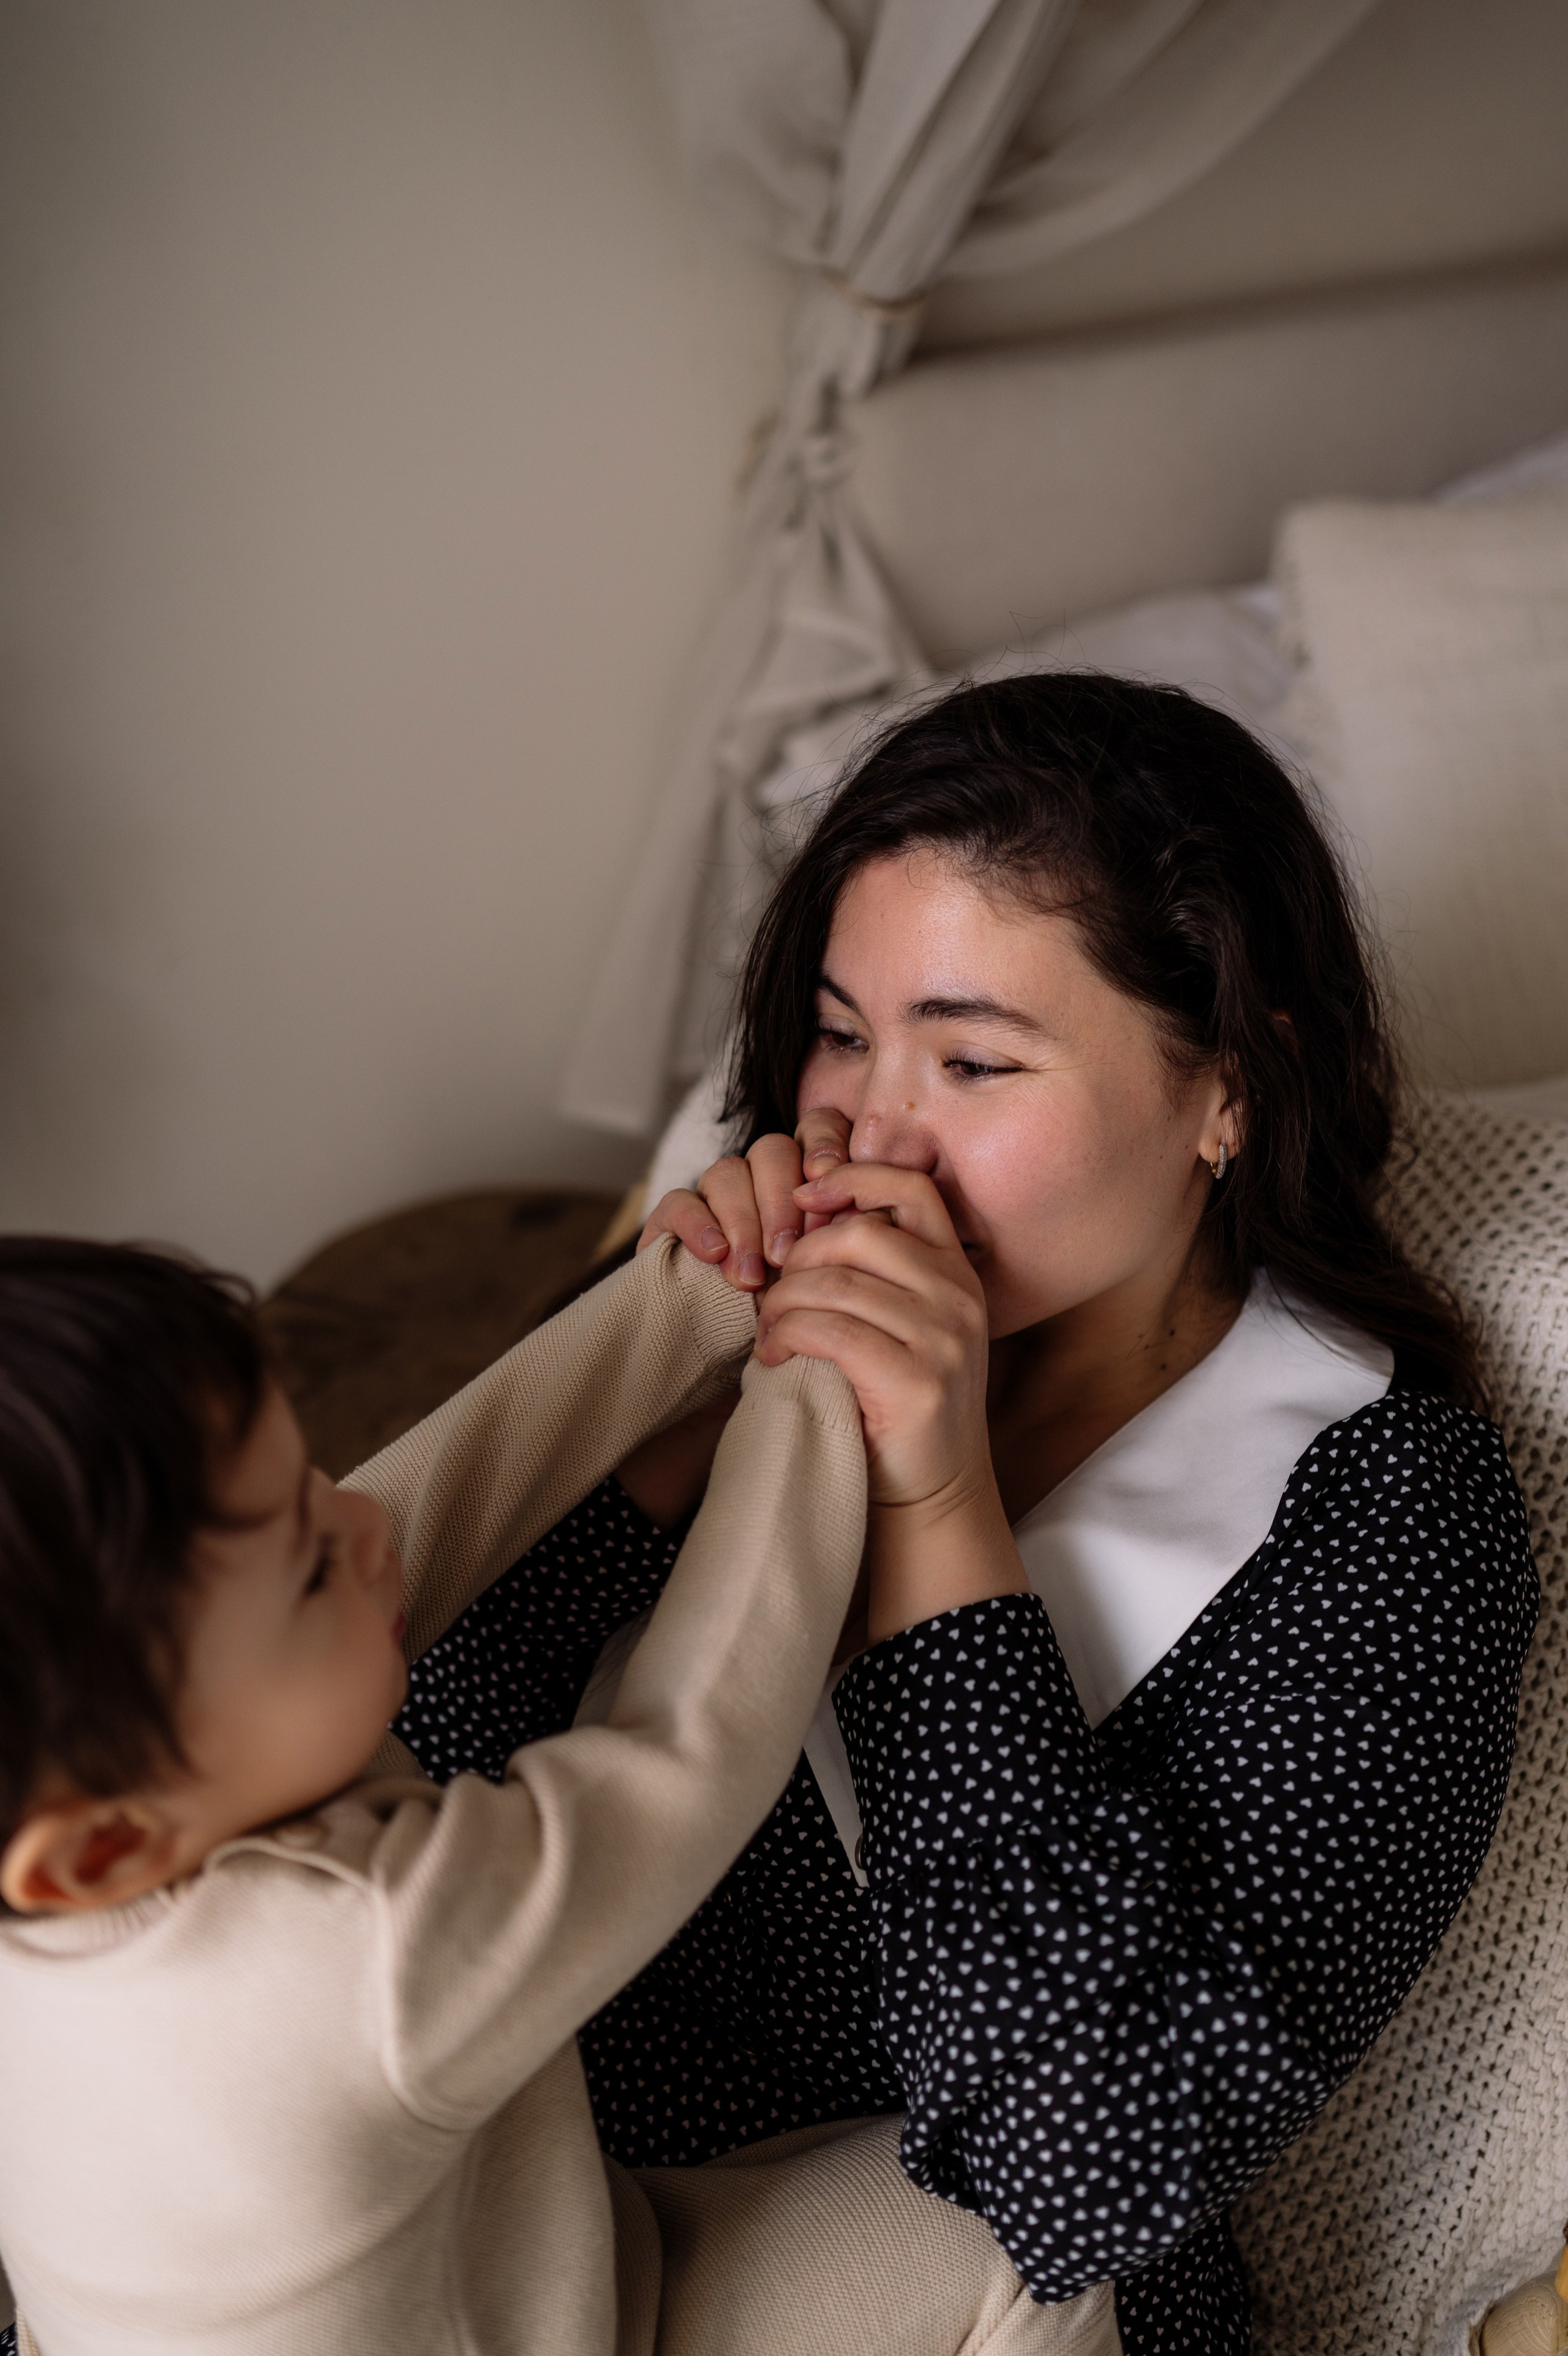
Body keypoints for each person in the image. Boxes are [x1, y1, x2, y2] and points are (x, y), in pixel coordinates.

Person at [396, 674, 1539, 2356]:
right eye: (842, 1033)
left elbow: (1068, 2168)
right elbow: (362, 1792)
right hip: (486, 2225)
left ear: (1230, 1087)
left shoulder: (1388, 1521)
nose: (870, 1129)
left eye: (975, 1057)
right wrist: (653, 1432)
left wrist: (936, 1498)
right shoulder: (716, 1329)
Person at [0, 1233, 1090, 2356]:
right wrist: (813, 1377)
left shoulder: (115, 1795)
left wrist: (695, 1292)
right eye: (313, 1566)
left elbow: (432, 1505)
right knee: (1019, 2255)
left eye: (310, 1484)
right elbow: (687, 1753)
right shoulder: (346, 1954)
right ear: (98, 1851)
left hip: (516, 2261)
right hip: (597, 2320)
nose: (362, 1524)